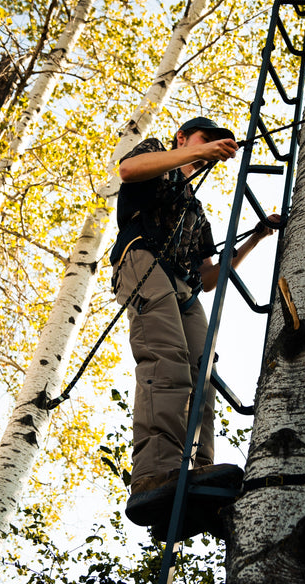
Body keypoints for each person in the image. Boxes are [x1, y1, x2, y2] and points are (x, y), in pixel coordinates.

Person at [110, 117, 277, 533]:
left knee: (203, 371)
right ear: (183, 138)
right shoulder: (155, 156)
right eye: (207, 141)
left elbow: (207, 275)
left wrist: (255, 237)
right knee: (166, 360)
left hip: (184, 287)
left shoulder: (195, 211)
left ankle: (197, 470)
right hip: (143, 260)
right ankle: (153, 472)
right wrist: (198, 153)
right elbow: (127, 172)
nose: (210, 151)